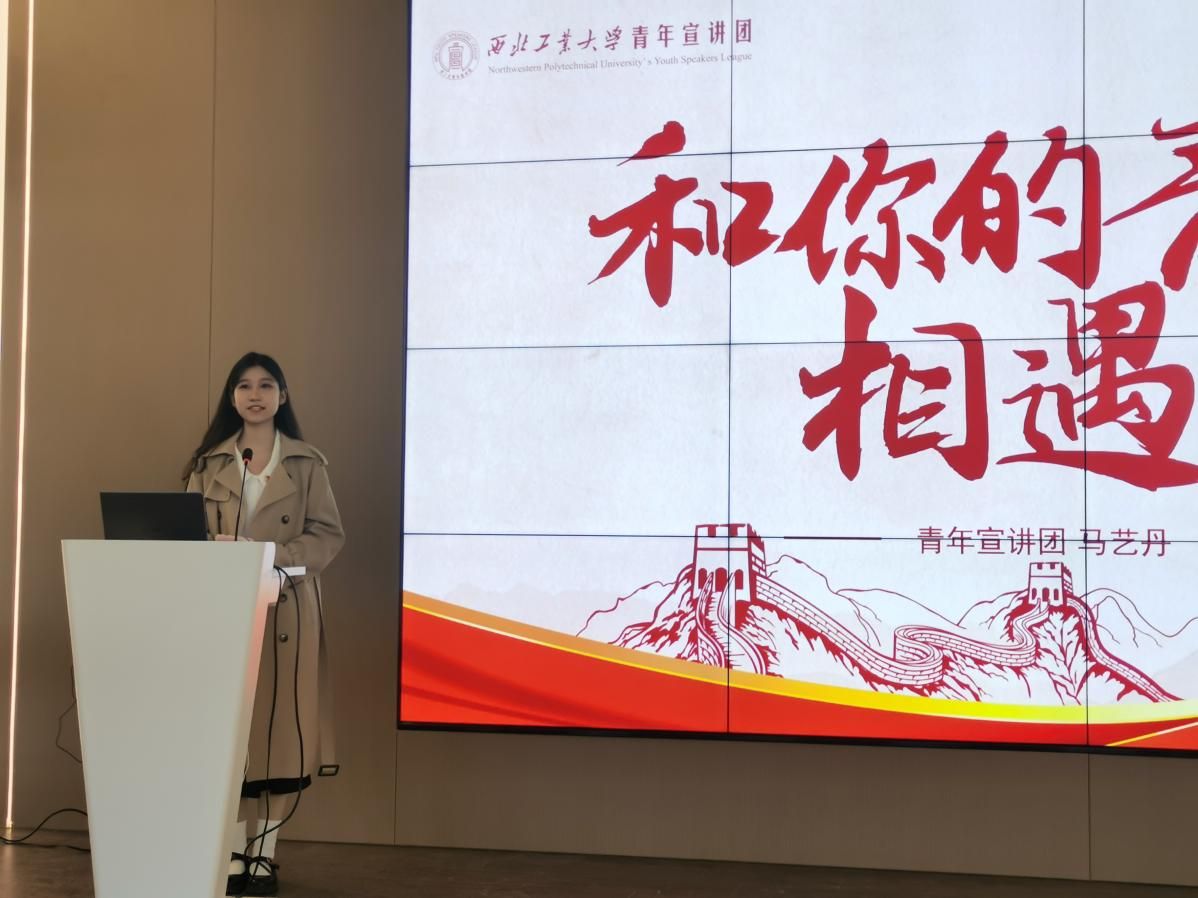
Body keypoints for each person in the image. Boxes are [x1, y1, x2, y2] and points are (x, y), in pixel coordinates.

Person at [184, 351, 344, 897]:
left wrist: (270, 555)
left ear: (283, 396)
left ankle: (264, 856)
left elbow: (328, 535)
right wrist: (218, 548)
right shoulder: (208, 463)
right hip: (223, 611)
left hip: (286, 609)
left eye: (266, 385)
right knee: (230, 738)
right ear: (232, 398)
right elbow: (183, 536)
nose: (255, 395)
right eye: (245, 386)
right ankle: (231, 853)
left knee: (278, 737)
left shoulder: (307, 464)